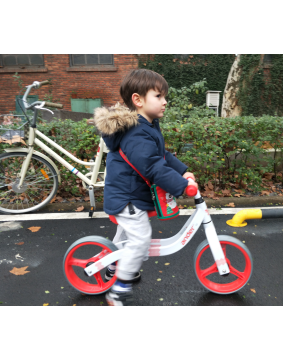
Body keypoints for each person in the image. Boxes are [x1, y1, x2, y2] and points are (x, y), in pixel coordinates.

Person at [94, 69, 198, 306]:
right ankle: (118, 289)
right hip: (127, 196)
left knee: (127, 236)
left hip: (130, 193)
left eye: (164, 97)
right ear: (138, 100)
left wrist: (182, 170)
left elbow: (161, 155)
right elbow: (152, 167)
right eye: (159, 96)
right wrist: (182, 186)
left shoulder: (147, 125)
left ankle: (115, 266)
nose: (165, 102)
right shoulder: (137, 133)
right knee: (140, 239)